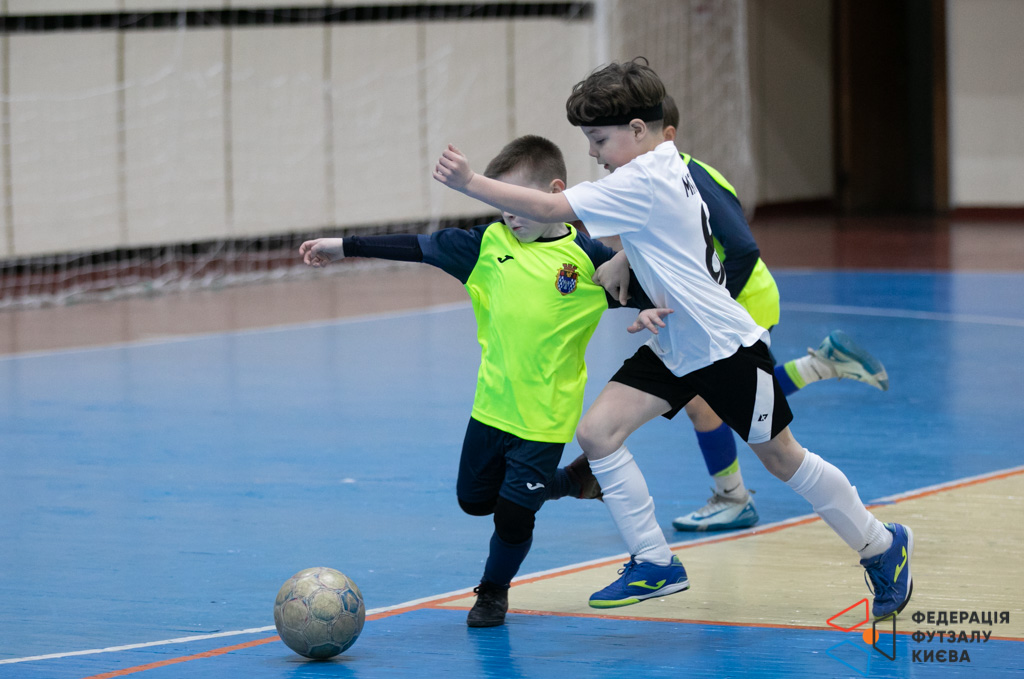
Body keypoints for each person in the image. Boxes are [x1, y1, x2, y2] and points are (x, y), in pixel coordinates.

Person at [431, 59, 913, 621]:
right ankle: (655, 562)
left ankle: (882, 544)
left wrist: (470, 182)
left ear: (638, 129)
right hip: (675, 344)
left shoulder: (641, 178)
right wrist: (625, 258)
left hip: (723, 348)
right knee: (598, 433)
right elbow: (664, 232)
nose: (594, 153)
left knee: (783, 459)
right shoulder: (662, 163)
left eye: (599, 140)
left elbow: (552, 207)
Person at [301, 135, 646, 628]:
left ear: (555, 193)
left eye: (517, 202)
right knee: (475, 501)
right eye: (500, 203)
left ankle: (493, 592)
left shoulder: (591, 261)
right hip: (490, 409)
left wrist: (650, 305)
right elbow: (417, 248)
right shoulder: (486, 245)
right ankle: (572, 480)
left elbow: (649, 287)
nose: (509, 214)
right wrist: (343, 247)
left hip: (546, 419)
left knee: (513, 515)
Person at [598, 94, 890, 533]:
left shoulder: (691, 178)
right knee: (735, 399)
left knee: (707, 405)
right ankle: (819, 366)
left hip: (739, 299)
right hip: (721, 303)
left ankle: (732, 498)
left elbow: (743, 249)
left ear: (661, 135)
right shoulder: (651, 182)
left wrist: (709, 306)